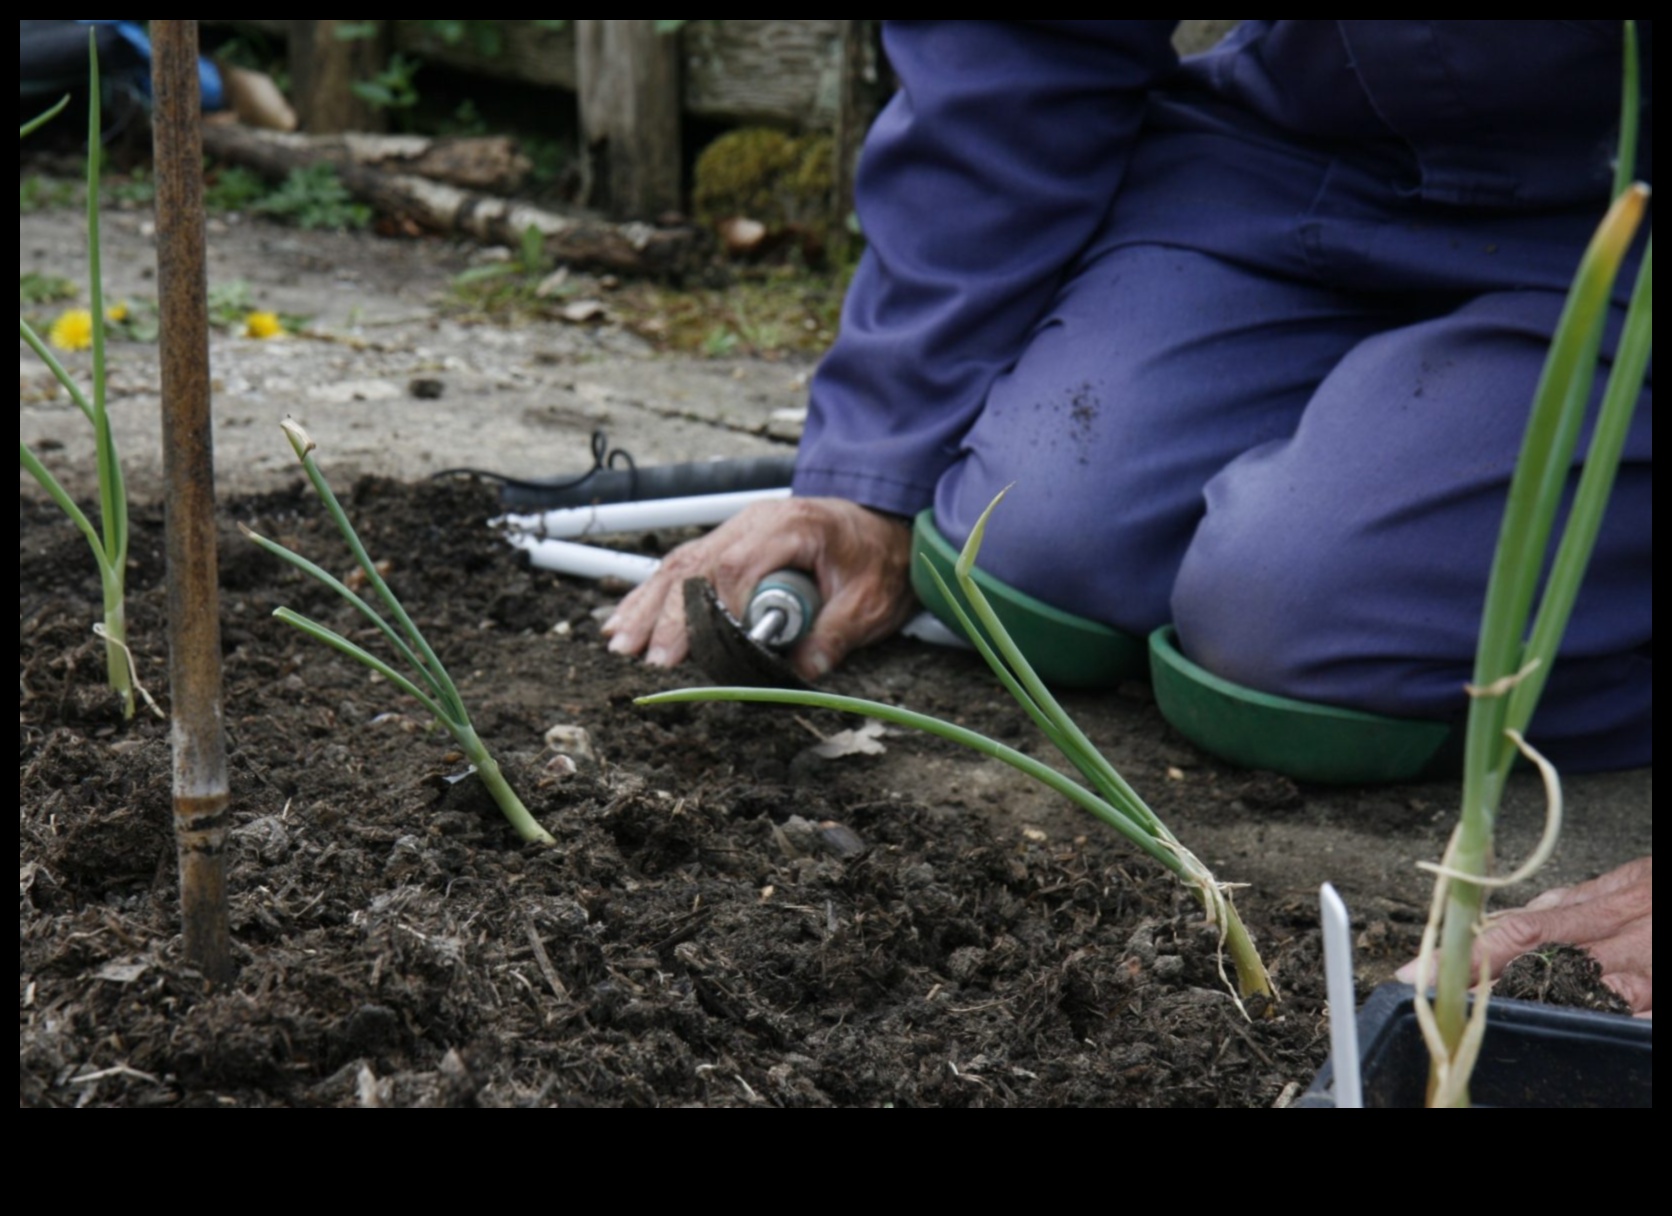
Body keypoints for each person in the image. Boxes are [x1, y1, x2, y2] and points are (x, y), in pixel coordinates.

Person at [603, 21, 1652, 1012]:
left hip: (1621, 220)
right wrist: (875, 469)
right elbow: (1023, 44)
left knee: (1289, 614)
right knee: (1028, 541)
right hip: (1311, 157)